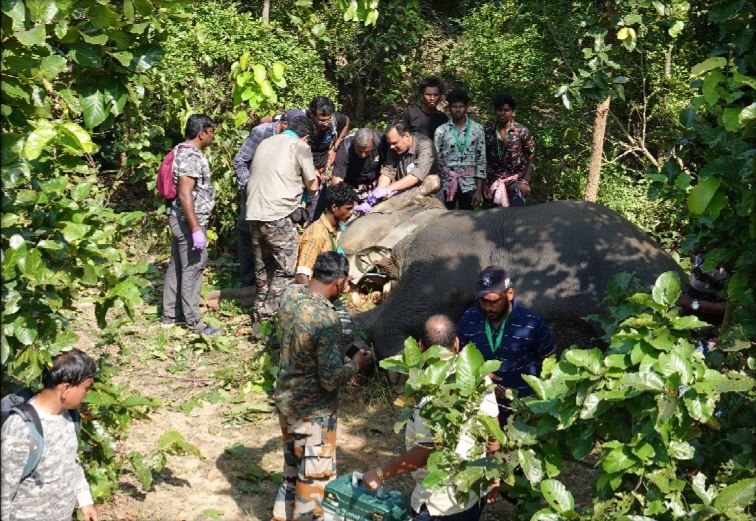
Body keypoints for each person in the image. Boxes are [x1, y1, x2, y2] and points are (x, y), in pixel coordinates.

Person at [362, 315, 499, 521]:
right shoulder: (479, 378)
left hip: (439, 505)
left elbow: (426, 450)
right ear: (456, 343)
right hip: (472, 490)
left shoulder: (430, 394)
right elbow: (494, 432)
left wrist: (381, 473)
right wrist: (493, 472)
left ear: (421, 347)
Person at [272, 252, 373, 521]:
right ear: (340, 282)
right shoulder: (326, 320)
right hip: (314, 413)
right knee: (314, 482)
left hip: (286, 401)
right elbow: (330, 379)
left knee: (292, 471)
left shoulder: (290, 295)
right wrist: (355, 365)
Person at [1, 349, 98, 521]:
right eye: (85, 389)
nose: (87, 394)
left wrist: (84, 499)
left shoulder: (70, 416)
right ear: (66, 388)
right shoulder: (20, 428)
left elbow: (72, 460)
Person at [246, 116, 319, 325]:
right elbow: (312, 185)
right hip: (276, 213)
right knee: (287, 268)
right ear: (305, 137)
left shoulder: (266, 142)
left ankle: (258, 314)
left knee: (263, 267)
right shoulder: (299, 146)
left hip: (253, 212)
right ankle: (269, 318)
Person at [457, 266, 555, 422]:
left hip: (522, 411)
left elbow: (549, 360)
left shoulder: (531, 322)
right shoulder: (469, 318)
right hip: (481, 410)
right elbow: (458, 356)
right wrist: (481, 377)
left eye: (494, 301)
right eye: (483, 301)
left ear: (509, 294)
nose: (488, 308)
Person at [162, 114, 222, 335]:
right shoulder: (191, 157)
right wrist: (196, 229)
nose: (213, 136)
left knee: (178, 264)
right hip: (188, 221)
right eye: (211, 132)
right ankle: (194, 323)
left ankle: (170, 316)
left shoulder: (180, 150)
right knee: (193, 267)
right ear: (202, 133)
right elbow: (185, 194)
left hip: (180, 218)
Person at [232, 112, 291, 288]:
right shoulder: (262, 133)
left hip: (275, 194)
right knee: (246, 230)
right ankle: (247, 282)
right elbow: (240, 160)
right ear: (284, 124)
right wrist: (250, 186)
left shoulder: (292, 140)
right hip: (253, 191)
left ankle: (267, 283)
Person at [356, 120, 440, 213]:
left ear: (407, 136)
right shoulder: (393, 147)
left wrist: (388, 189)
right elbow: (388, 171)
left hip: (424, 189)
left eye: (395, 143)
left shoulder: (425, 145)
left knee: (433, 181)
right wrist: (377, 192)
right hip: (402, 190)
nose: (391, 147)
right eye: (390, 144)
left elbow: (415, 176)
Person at [433, 88, 486, 210]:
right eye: (454, 106)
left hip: (469, 184)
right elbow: (437, 160)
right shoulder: (441, 130)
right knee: (445, 219)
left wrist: (479, 190)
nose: (457, 109)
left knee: (467, 221)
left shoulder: (477, 129)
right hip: (447, 183)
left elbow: (481, 160)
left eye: (461, 106)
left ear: (466, 107)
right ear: (449, 108)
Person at [295, 184, 358, 285]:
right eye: (348, 208)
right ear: (334, 207)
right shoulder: (317, 234)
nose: (351, 212)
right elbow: (302, 276)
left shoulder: (334, 229)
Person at [483, 93, 535, 207]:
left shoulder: (521, 131)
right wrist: (483, 183)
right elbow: (481, 157)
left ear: (513, 111)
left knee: (516, 218)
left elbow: (531, 155)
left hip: (515, 181)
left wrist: (526, 181)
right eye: (499, 110)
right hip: (492, 182)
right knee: (489, 220)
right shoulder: (488, 130)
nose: (502, 113)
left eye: (506, 110)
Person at [330, 128, 387, 196]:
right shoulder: (345, 148)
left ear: (373, 143)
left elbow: (391, 166)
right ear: (354, 142)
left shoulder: (381, 140)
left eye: (367, 151)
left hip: (376, 180)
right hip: (352, 183)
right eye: (359, 151)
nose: (363, 155)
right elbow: (337, 180)